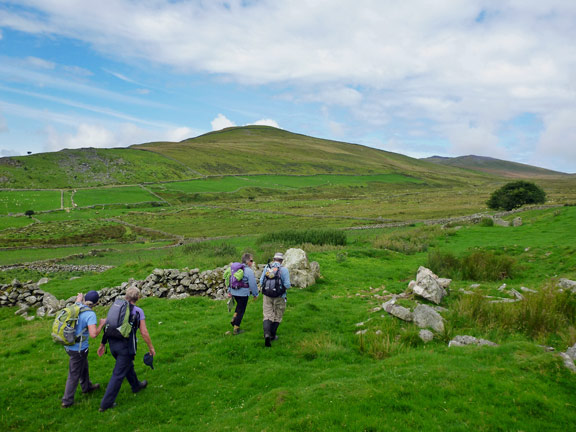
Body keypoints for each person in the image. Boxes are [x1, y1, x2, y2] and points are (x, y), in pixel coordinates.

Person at [98, 287, 156, 412]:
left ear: (126, 297)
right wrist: (151, 348)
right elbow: (144, 332)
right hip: (125, 347)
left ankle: (136, 386)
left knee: (127, 365)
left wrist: (102, 344)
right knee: (118, 375)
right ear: (138, 298)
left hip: (113, 344)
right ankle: (106, 404)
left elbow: (108, 326)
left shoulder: (117, 307)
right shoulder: (138, 311)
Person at [61, 290, 106, 408]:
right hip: (79, 349)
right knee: (74, 373)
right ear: (96, 303)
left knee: (83, 365)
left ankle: (87, 387)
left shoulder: (75, 306)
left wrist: (79, 298)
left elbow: (77, 302)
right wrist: (101, 324)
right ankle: (67, 401)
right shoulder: (90, 314)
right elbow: (93, 334)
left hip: (68, 345)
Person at [260, 252, 291, 347]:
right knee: (278, 315)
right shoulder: (284, 270)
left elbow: (261, 281)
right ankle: (272, 336)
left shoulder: (267, 268)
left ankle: (266, 334)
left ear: (274, 259)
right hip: (279, 296)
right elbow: (287, 285)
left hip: (267, 296)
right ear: (282, 261)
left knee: (267, 315)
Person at [227, 253, 259, 335]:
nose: (252, 263)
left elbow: (230, 279)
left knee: (239, 306)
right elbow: (252, 284)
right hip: (243, 293)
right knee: (241, 310)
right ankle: (236, 328)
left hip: (234, 292)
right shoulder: (248, 271)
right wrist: (255, 294)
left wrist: (229, 291)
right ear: (248, 261)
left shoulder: (235, 269)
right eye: (251, 261)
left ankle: (234, 318)